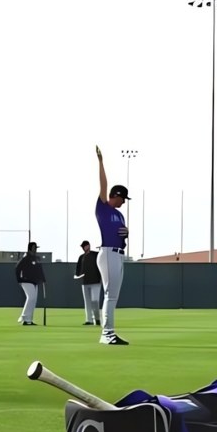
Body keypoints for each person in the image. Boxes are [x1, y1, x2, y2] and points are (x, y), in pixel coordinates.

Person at [94, 146, 130, 345]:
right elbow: (103, 185)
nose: (124, 201)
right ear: (116, 195)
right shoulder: (104, 208)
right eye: (123, 198)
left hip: (118, 253)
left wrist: (127, 234)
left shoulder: (120, 214)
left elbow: (122, 235)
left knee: (113, 295)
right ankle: (107, 334)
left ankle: (110, 332)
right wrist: (101, 162)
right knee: (110, 294)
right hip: (107, 252)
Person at [15, 242, 45, 325]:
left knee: (34, 300)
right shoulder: (26, 257)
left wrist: (43, 279)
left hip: (34, 281)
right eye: (34, 248)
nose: (36, 250)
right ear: (31, 248)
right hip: (26, 281)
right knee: (31, 297)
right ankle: (24, 316)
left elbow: (40, 269)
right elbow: (17, 268)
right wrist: (19, 279)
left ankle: (29, 320)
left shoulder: (36, 258)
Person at [74, 240, 102, 325]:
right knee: (87, 302)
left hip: (96, 281)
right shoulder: (81, 257)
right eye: (83, 246)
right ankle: (89, 320)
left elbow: (101, 265)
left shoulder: (95, 255)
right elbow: (78, 269)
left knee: (95, 301)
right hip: (85, 281)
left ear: (88, 246)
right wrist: (77, 275)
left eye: (85, 246)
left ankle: (97, 319)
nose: (83, 248)